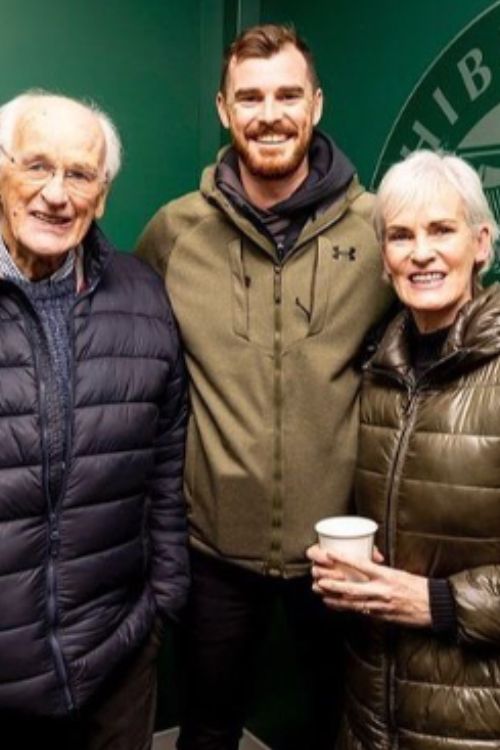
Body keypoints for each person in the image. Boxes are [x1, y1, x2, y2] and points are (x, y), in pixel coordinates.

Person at [136, 24, 391, 750]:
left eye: (286, 94)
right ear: (223, 109)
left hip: (340, 552)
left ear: (315, 104)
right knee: (209, 727)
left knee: (338, 727)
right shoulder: (174, 232)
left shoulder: (378, 229)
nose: (268, 113)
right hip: (213, 548)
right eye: (249, 97)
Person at [0, 90, 189, 750]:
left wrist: (162, 599)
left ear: (102, 196)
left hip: (117, 656)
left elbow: (167, 462)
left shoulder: (143, 292)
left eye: (79, 174)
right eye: (35, 166)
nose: (56, 194)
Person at [308, 149, 500, 749]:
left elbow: (428, 596)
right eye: (400, 236)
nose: (421, 253)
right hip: (372, 708)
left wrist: (441, 603)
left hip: (475, 719)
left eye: (442, 230)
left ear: (482, 243)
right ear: (385, 260)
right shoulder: (377, 371)